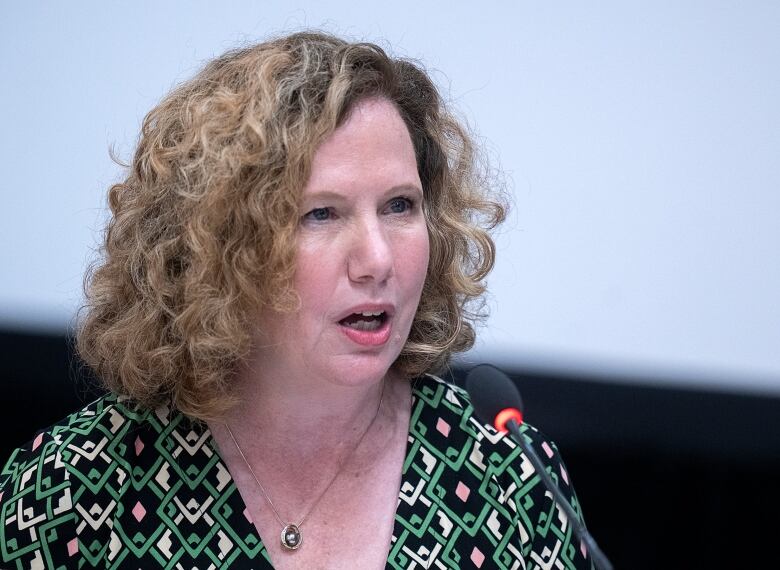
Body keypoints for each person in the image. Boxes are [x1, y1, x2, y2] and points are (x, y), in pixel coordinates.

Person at [0, 31, 594, 569]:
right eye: (320, 213)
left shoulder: (510, 479)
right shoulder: (72, 493)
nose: (378, 259)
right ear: (217, 246)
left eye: (399, 206)